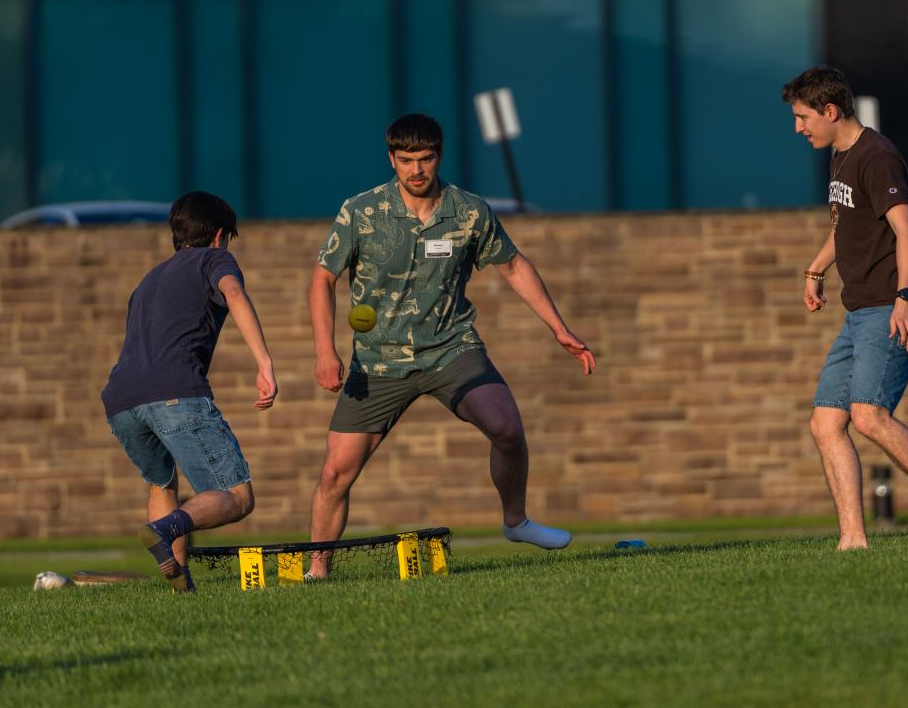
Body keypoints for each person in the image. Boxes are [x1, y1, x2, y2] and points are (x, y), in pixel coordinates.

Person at [308, 114, 593, 572]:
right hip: (378, 362)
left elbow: (514, 266)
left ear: (439, 156)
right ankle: (316, 569)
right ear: (391, 160)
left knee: (508, 429)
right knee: (336, 474)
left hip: (451, 349)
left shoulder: (469, 210)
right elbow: (322, 278)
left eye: (425, 159)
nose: (416, 170)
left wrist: (558, 328)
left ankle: (516, 521)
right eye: (406, 161)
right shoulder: (361, 211)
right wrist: (325, 350)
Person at [783, 67, 908, 550]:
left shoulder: (877, 156)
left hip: (891, 306)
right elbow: (846, 226)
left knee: (869, 415)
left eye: (803, 118)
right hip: (859, 311)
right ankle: (853, 538)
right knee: (826, 423)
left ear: (830, 112)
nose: (798, 128)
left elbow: (906, 230)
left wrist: (904, 298)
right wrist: (815, 269)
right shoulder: (841, 156)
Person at [108, 192, 278, 592]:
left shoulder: (148, 280)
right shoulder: (214, 259)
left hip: (121, 400)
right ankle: (163, 530)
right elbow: (234, 295)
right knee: (235, 496)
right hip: (175, 394)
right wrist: (265, 363)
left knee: (162, 483)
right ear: (219, 235)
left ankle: (179, 586)